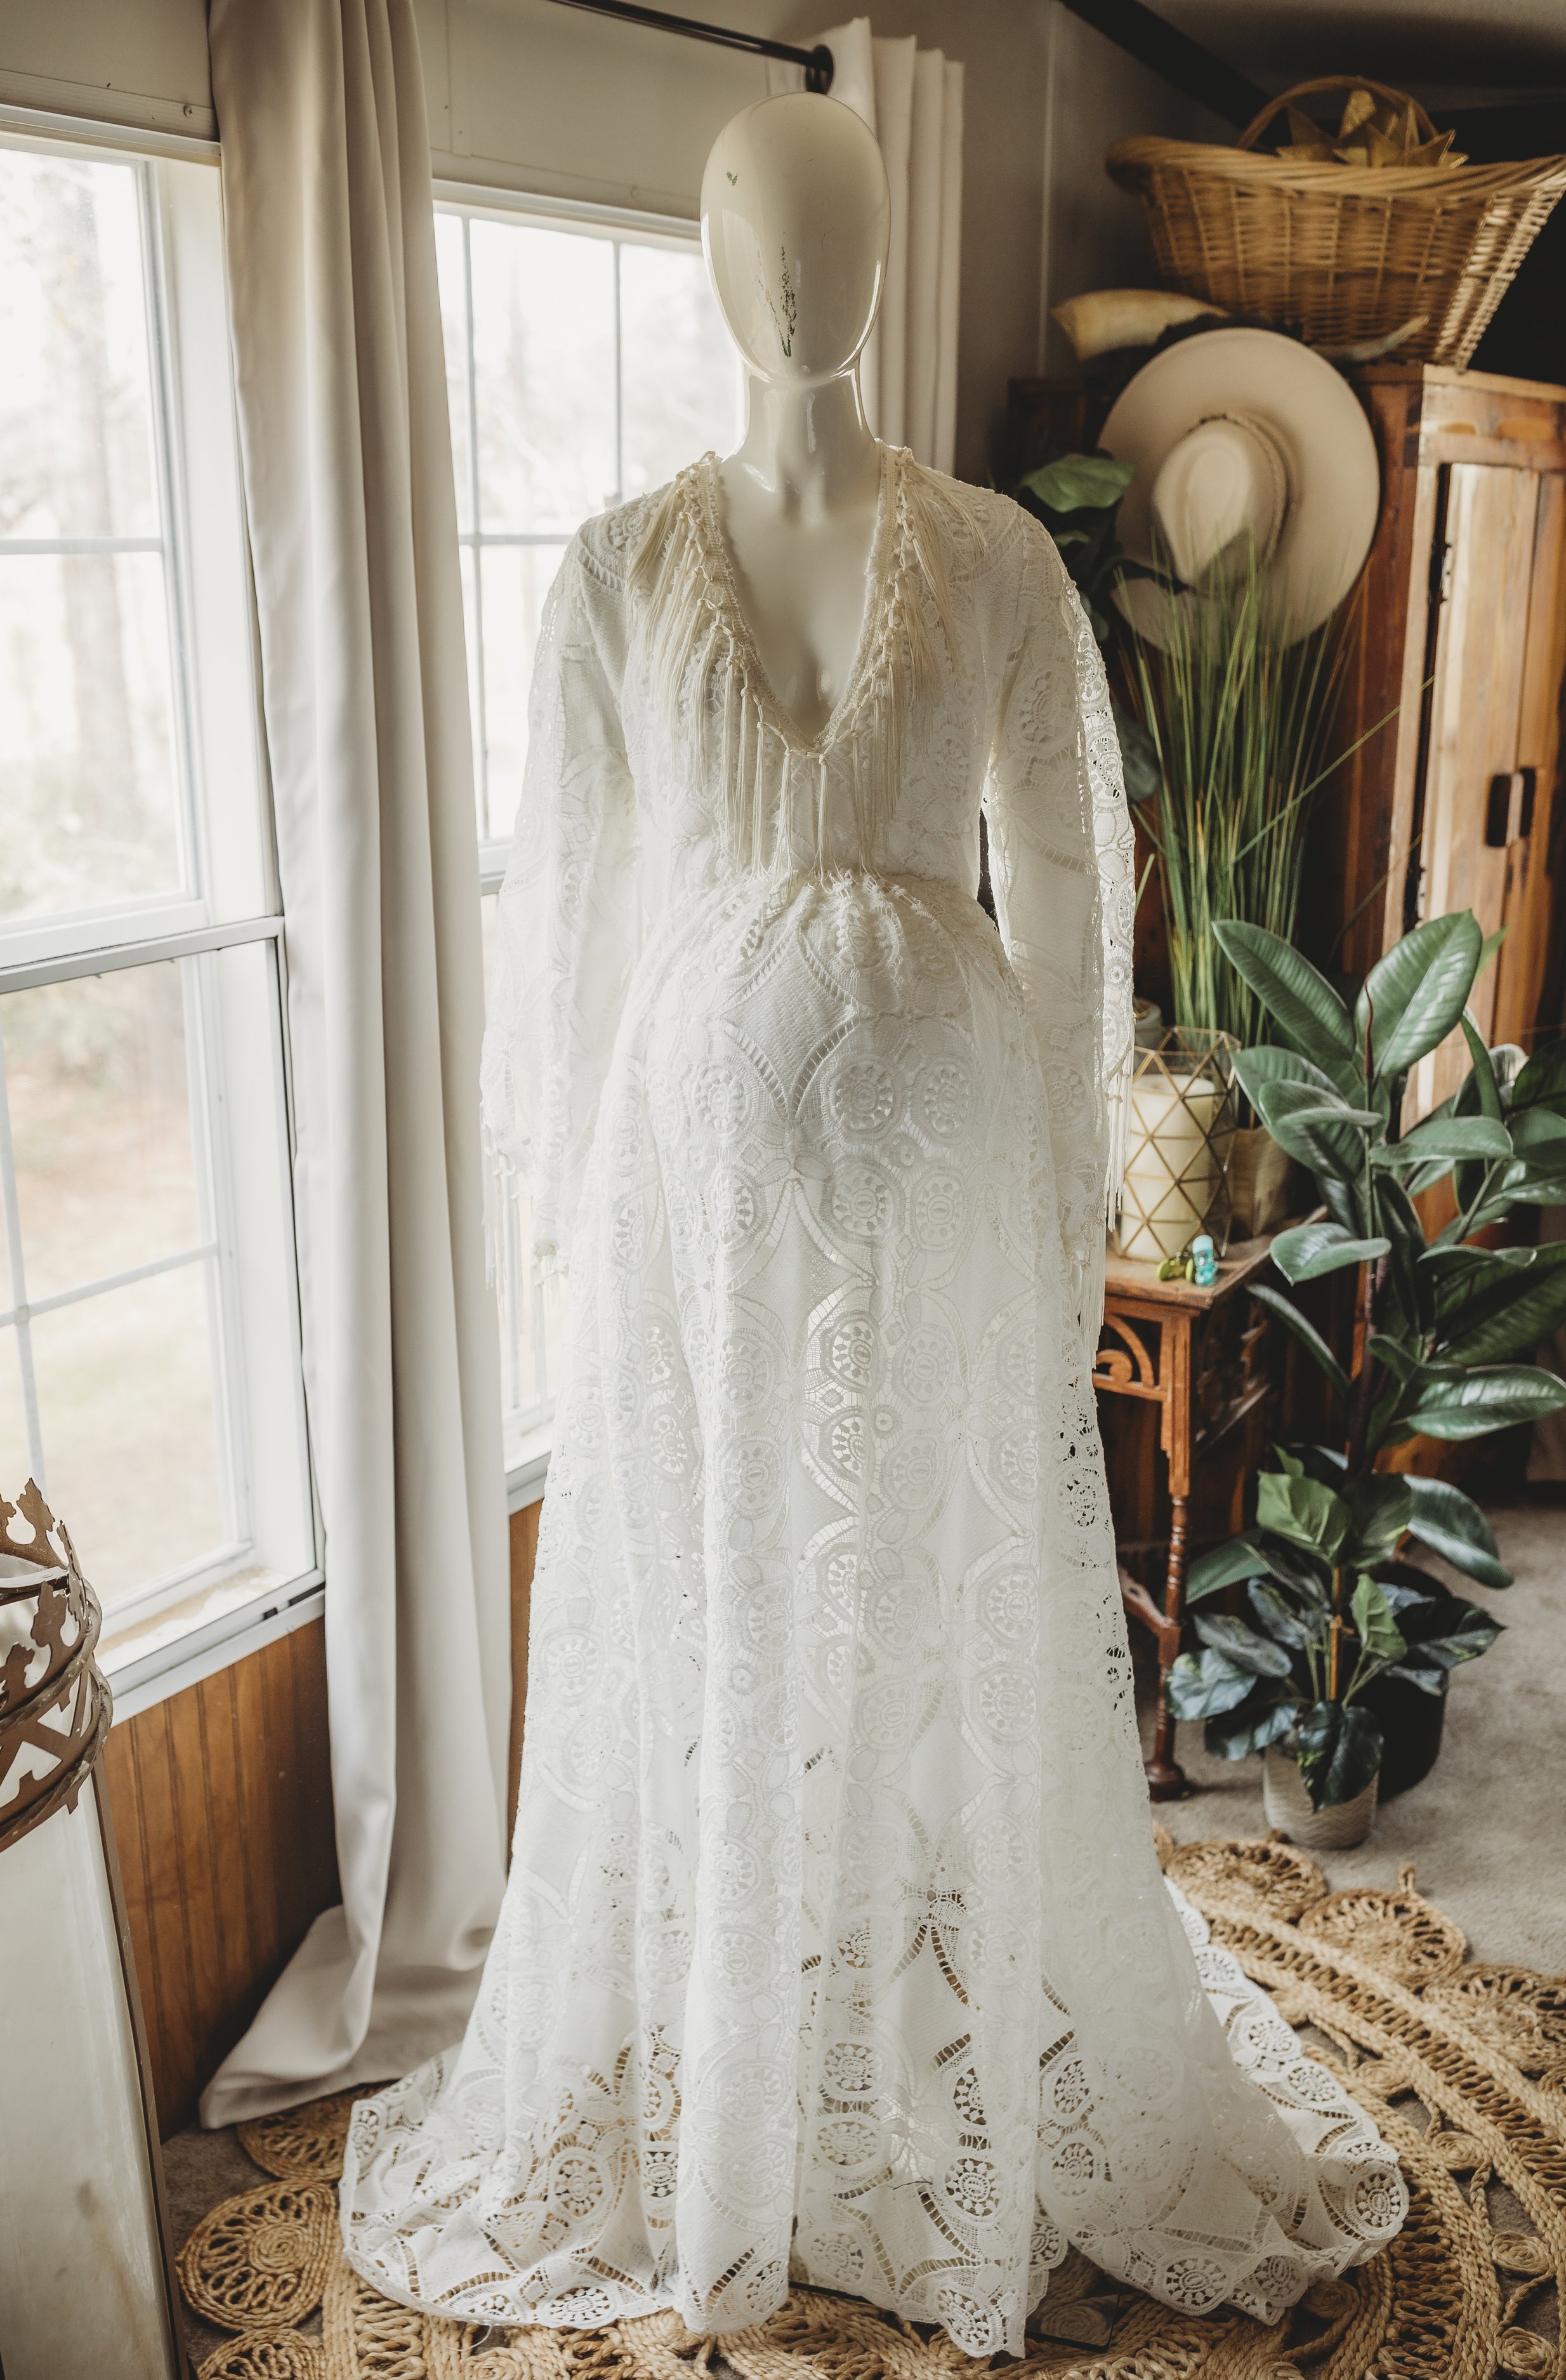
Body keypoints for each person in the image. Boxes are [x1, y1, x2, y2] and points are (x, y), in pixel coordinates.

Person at [341, 92, 1405, 2357]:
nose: (798, 271)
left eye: (833, 227)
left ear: (885, 261)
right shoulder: (616, 569)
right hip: (702, 1203)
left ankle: (928, 2054)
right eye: (757, 221)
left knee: (919, 1590)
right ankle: (738, 2067)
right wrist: (580, 1209)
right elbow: (583, 932)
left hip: (935, 1185)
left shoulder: (1004, 559)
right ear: (710, 252)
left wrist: (1053, 1197)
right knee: (728, 1601)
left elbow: (1074, 894)